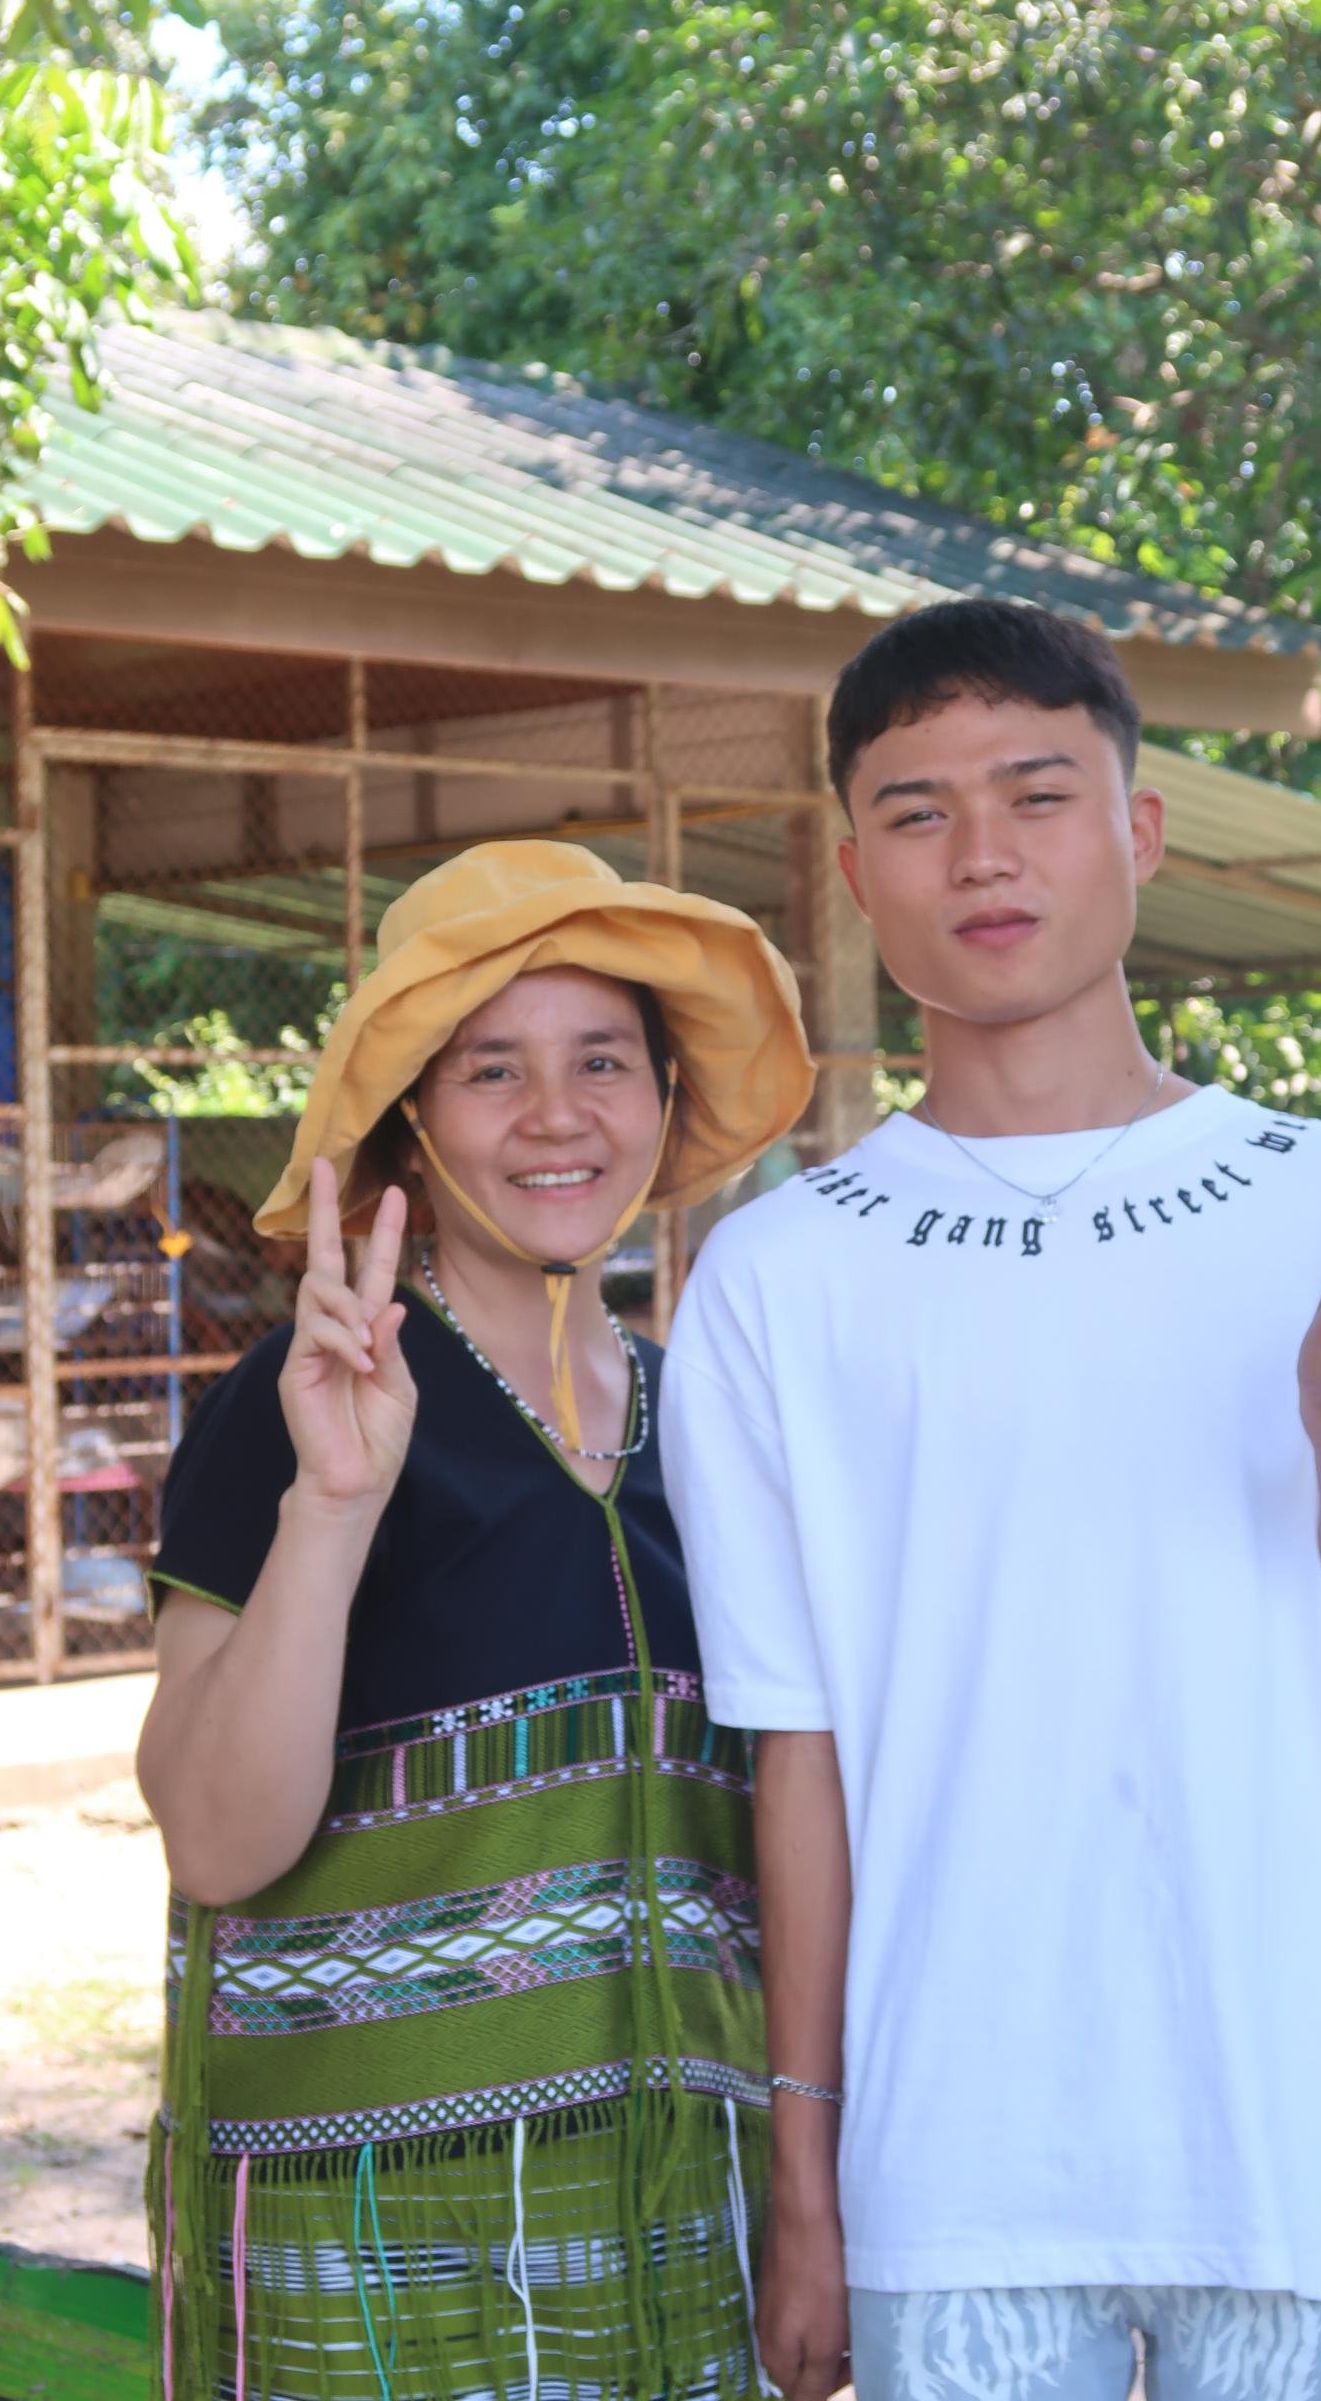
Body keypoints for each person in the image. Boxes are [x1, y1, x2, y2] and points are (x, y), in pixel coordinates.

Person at [660, 600, 1321, 2401]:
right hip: (956, 2158)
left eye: (1037, 794)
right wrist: (808, 2186)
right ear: (853, 874)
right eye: (918, 813)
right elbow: (796, 1759)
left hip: (1298, 2128)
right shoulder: (774, 1276)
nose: (981, 853)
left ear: (1139, 829)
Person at [137, 839, 812, 2401]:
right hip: (372, 2236)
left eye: (602, 1062)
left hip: (675, 2214)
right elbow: (216, 1844)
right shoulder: (299, 1404)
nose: (555, 1114)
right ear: (414, 1125)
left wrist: (808, 2181)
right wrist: (333, 1503)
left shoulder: (713, 1419)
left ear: (663, 1102)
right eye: (491, 1069)